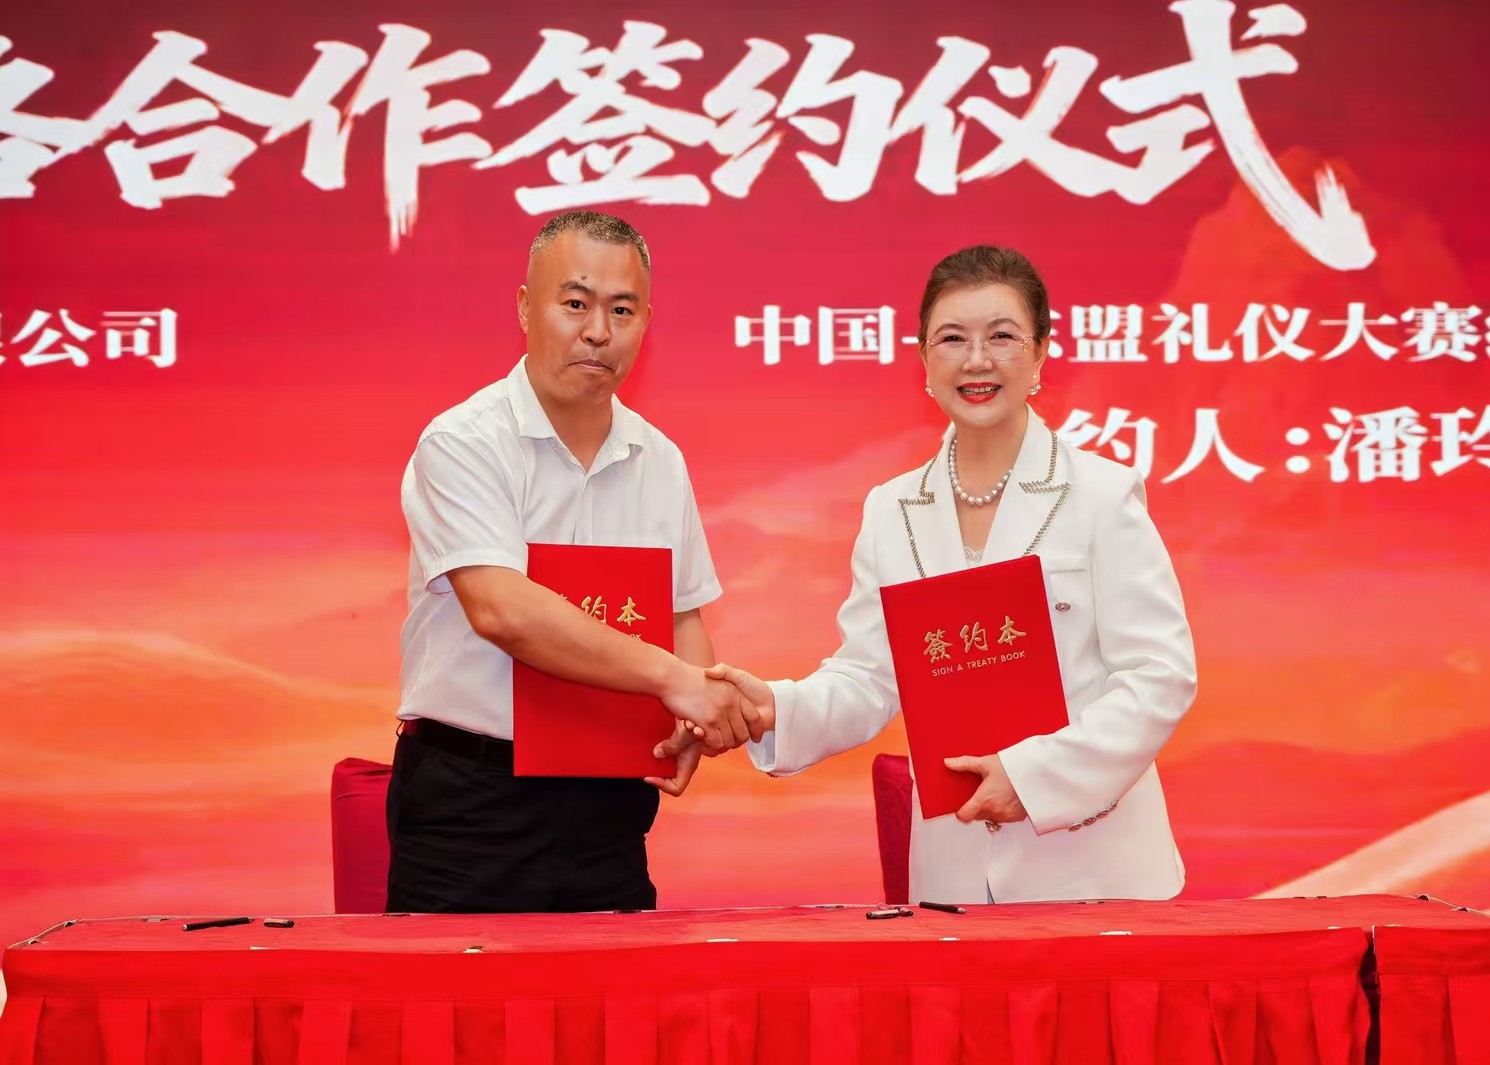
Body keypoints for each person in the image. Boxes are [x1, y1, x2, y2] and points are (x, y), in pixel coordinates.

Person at [675, 245, 1197, 904]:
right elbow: (870, 677)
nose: (976, 360)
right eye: (952, 339)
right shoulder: (891, 509)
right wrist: (772, 707)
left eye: (1002, 337)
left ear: (1040, 355)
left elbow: (1159, 675)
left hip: (1095, 870)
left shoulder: (1100, 494)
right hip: (953, 875)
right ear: (924, 360)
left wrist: (1035, 777)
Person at [388, 209, 760, 915]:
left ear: (646, 323)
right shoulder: (463, 442)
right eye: (576, 303)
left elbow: (682, 616)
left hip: (609, 805)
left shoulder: (660, 459)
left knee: (614, 987)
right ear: (527, 308)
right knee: (460, 988)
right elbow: (502, 609)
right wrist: (675, 681)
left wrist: (691, 718)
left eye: (622, 309)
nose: (598, 330)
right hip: (471, 804)